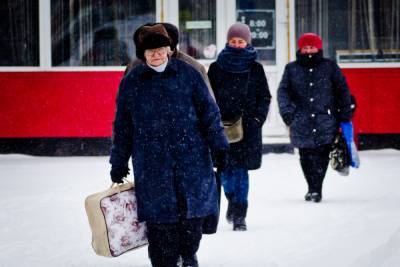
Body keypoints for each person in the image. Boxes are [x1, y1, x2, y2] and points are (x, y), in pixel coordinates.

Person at [109, 24, 229, 267]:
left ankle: (188, 256)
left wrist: (219, 146)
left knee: (191, 219)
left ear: (170, 49)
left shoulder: (188, 73)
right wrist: (118, 161)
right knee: (160, 224)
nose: (157, 54)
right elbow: (122, 125)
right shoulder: (133, 81)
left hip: (191, 158)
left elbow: (209, 113)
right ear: (143, 54)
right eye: (151, 51)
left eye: (161, 49)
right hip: (152, 163)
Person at [207, 22, 271, 231]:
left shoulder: (256, 68)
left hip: (248, 129)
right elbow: (207, 97)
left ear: (247, 42)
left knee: (242, 171)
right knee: (225, 170)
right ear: (227, 42)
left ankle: (240, 213)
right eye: (233, 41)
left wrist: (257, 120)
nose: (236, 45)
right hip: (221, 128)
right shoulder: (216, 68)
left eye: (240, 41)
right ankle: (232, 201)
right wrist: (212, 121)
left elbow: (264, 97)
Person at [277, 33, 354, 203]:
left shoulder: (330, 67)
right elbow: (283, 92)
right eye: (306, 47)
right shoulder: (291, 69)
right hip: (301, 119)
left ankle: (316, 188)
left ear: (318, 48)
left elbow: (342, 90)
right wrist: (288, 112)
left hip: (325, 118)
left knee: (322, 154)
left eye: (312, 47)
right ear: (300, 49)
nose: (309, 50)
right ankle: (311, 186)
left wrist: (344, 113)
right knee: (305, 155)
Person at [125, 22, 214, 99]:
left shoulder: (193, 67)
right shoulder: (135, 66)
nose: (156, 54)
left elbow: (209, 105)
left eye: (160, 47)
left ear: (171, 45)